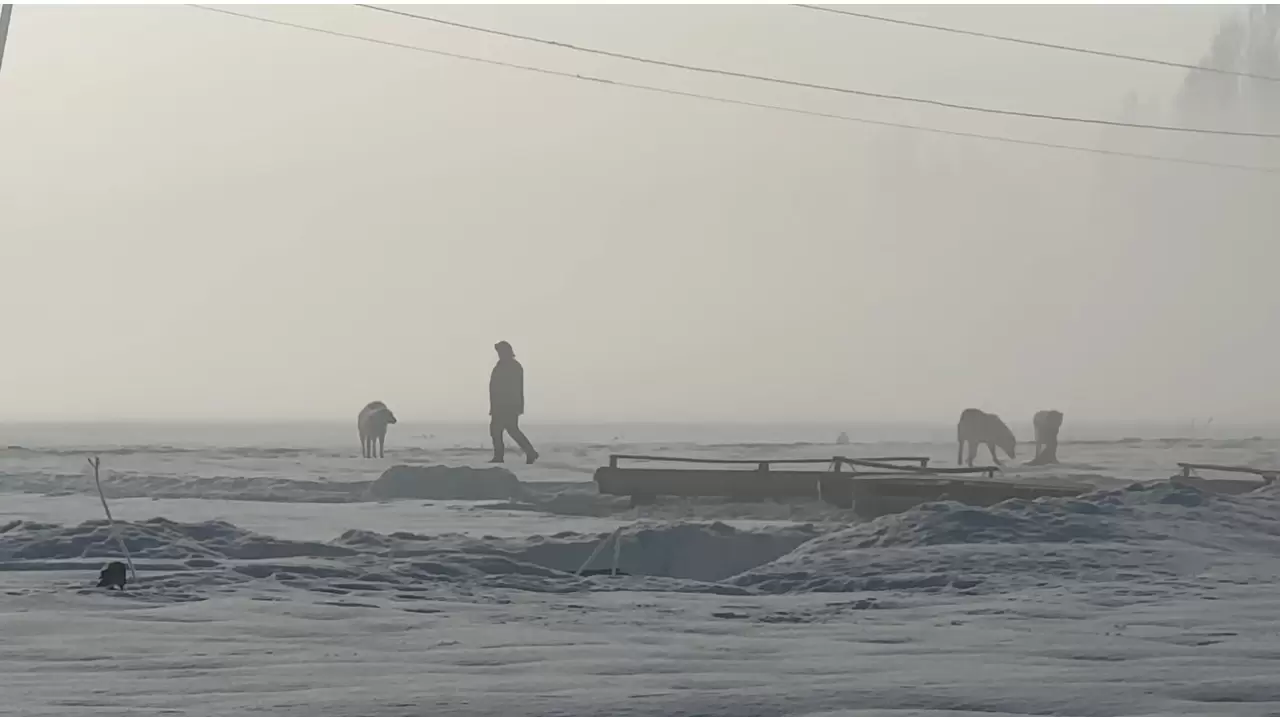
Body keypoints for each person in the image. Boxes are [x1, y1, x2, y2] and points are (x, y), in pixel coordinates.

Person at [489, 340, 538, 464]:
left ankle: (529, 452)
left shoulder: (513, 366)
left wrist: (516, 405)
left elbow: (515, 387)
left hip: (508, 405)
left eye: (500, 351)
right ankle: (501, 456)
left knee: (509, 430)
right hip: (499, 405)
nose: (498, 354)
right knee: (499, 430)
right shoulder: (501, 365)